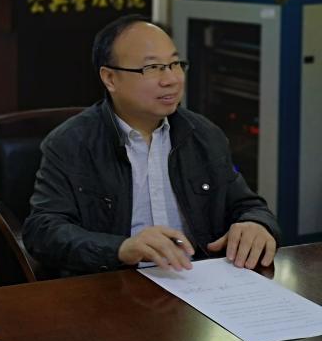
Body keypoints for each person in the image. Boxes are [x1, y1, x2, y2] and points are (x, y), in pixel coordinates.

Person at [23, 14, 280, 277]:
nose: (171, 79)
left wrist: (256, 223)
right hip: (114, 284)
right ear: (110, 78)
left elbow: (248, 204)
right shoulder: (70, 143)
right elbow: (43, 231)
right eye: (152, 67)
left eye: (175, 64)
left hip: (198, 281)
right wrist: (121, 249)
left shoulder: (203, 134)